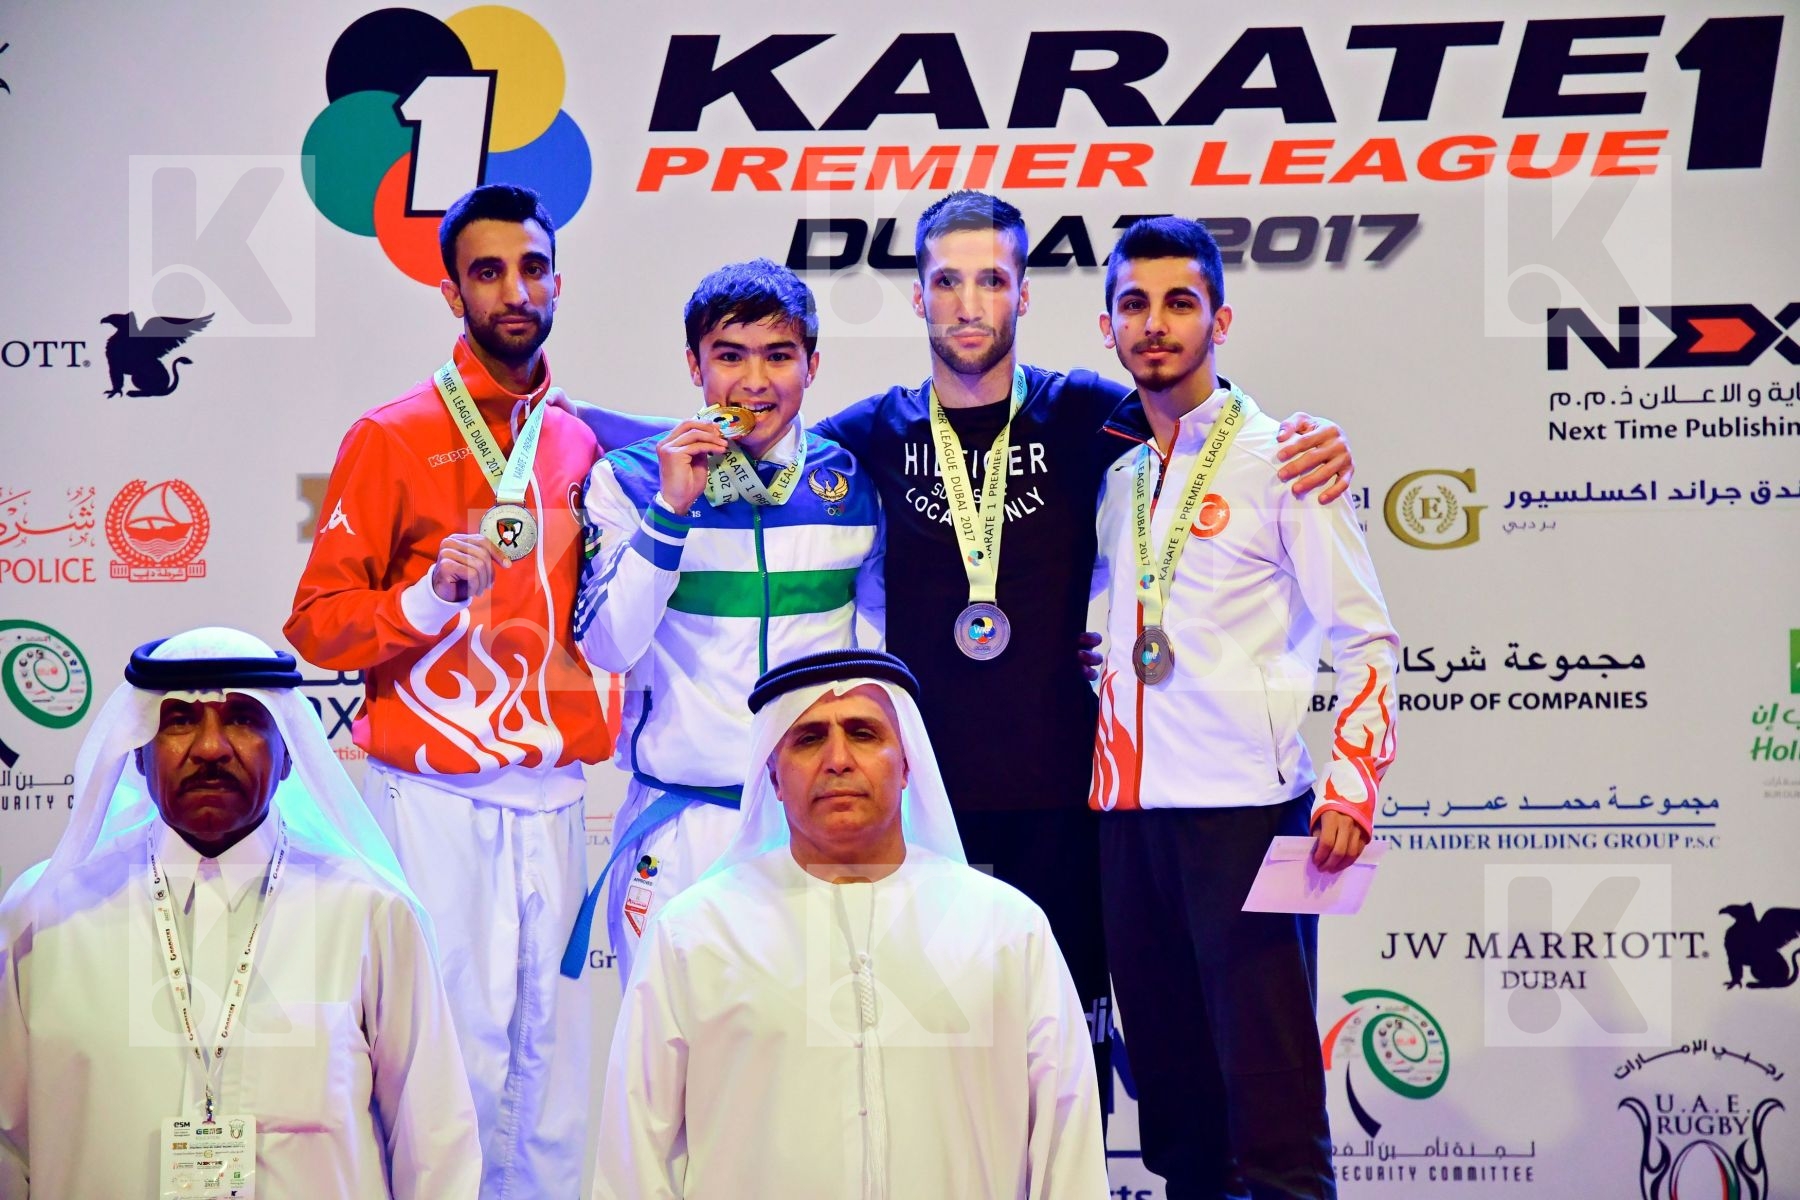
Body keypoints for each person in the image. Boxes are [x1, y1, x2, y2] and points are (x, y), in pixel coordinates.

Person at [565, 190, 1356, 1102]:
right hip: (911, 811)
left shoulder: (1091, 415)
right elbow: (751, 435)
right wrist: (635, 463)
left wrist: (1307, 435)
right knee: (891, 1077)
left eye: (992, 281)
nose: (970, 304)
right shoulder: (863, 441)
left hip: (1068, 806)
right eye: (948, 281)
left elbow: (1207, 423)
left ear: (1024, 294)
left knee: (1068, 1067)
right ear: (919, 299)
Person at [285, 183, 609, 1196]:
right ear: (450, 290)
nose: (516, 290)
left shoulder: (577, 442)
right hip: (435, 797)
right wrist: (425, 601)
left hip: (556, 800)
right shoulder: (390, 435)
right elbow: (316, 626)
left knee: (554, 1077)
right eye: (488, 271)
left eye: (532, 267)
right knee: (447, 1065)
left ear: (557, 279)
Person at [1088, 217, 1399, 1199]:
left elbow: (1366, 635)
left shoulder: (1285, 457)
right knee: (1177, 1124)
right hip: (1128, 830)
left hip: (1245, 820)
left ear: (1220, 318)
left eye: (1180, 302)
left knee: (1272, 1126)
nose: (1156, 324)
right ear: (1109, 329)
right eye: (1134, 304)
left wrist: (1351, 787)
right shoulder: (1120, 480)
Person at [592, 649, 1106, 1200]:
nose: (837, 759)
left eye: (863, 733)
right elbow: (636, 1162)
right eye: (809, 738)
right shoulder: (695, 935)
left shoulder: (1005, 930)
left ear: (907, 763)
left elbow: (1067, 1153)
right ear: (772, 773)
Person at [0, 627, 480, 1199]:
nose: (210, 748)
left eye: (243, 719)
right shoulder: (45, 914)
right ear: (136, 752)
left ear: (288, 756)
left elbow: (436, 1147)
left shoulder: (368, 912)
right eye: (178, 720)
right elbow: (10, 1148)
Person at [561, 259, 882, 983]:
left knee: (819, 1068)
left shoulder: (854, 483)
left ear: (813, 364)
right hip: (682, 831)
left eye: (779, 355)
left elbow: (892, 651)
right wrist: (671, 514)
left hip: (814, 825)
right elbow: (609, 645)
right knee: (672, 1080)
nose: (755, 382)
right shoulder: (634, 477)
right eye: (729, 357)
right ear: (694, 365)